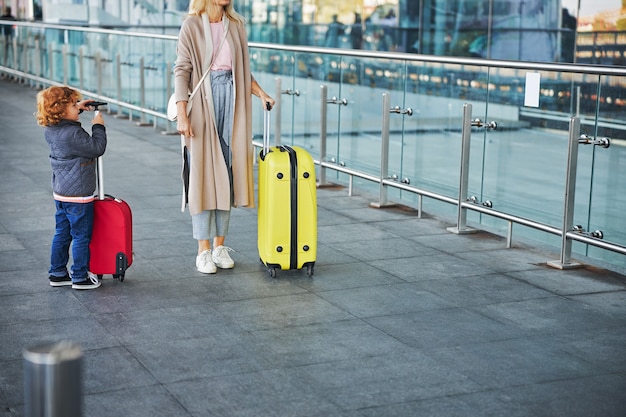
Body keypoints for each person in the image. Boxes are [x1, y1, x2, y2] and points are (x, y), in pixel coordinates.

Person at [173, 0, 275, 274]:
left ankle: (220, 246)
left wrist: (261, 93)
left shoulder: (237, 25)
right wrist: (182, 114)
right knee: (204, 175)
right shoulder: (191, 25)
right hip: (202, 101)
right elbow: (182, 70)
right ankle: (203, 250)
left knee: (227, 172)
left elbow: (243, 71)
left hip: (233, 100)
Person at [35, 86, 107, 289]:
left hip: (61, 192)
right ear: (60, 109)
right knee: (81, 236)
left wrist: (79, 109)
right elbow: (96, 148)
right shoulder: (74, 133)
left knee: (62, 233)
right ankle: (80, 276)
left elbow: (65, 124)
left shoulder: (51, 128)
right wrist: (98, 127)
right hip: (79, 195)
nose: (77, 107)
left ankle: (57, 273)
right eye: (73, 105)